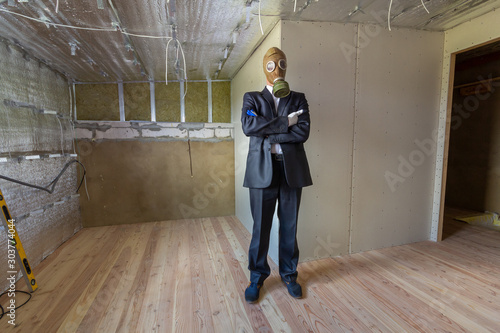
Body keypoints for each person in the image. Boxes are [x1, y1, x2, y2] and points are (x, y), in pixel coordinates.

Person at [241, 47, 313, 303]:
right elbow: (249, 127)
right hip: (262, 169)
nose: (277, 69)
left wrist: (268, 130)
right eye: (271, 65)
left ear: (286, 65)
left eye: (281, 64)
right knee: (260, 227)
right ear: (265, 68)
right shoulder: (251, 99)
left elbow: (302, 133)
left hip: (291, 170)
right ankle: (256, 277)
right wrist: (287, 123)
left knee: (290, 225)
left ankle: (289, 274)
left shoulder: (299, 99)